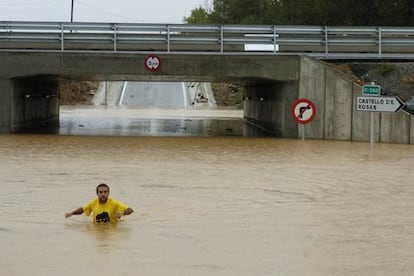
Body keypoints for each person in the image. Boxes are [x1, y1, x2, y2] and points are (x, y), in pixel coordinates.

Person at [65, 183, 134, 223]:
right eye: (100, 192)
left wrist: (123, 213)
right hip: (97, 227)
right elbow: (82, 210)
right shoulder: (93, 203)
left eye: (105, 192)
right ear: (97, 193)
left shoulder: (114, 203)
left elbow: (130, 210)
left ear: (108, 193)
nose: (103, 194)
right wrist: (71, 213)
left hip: (111, 227)